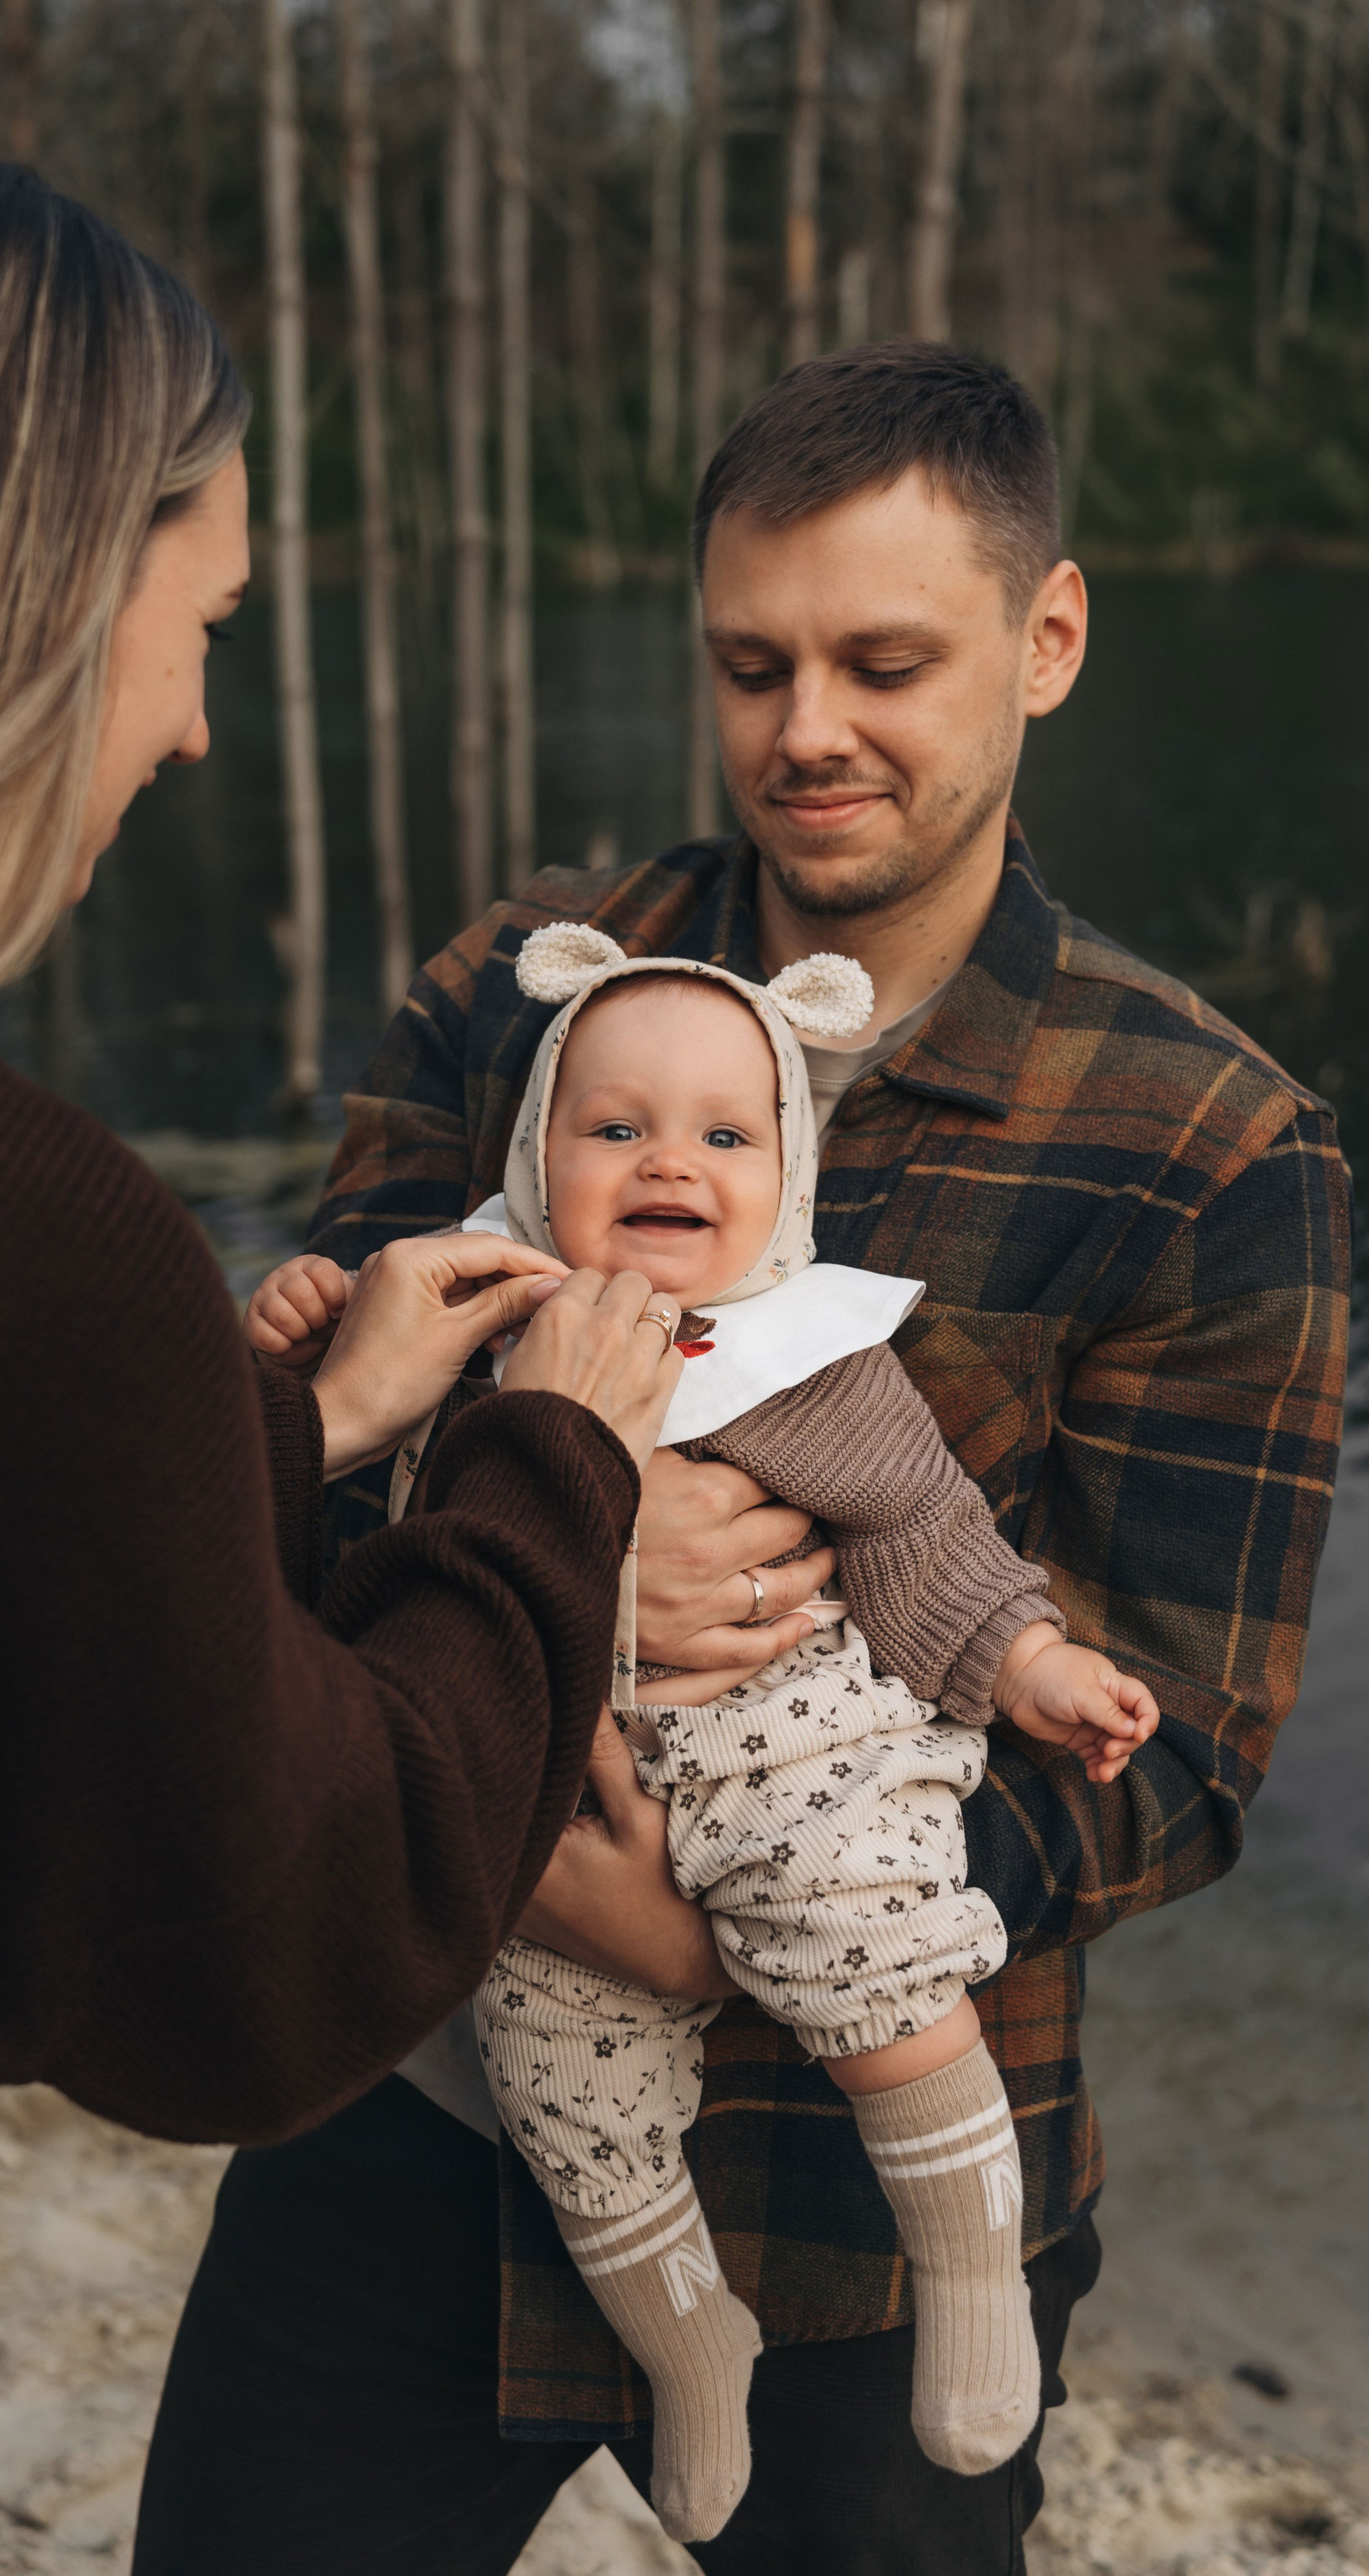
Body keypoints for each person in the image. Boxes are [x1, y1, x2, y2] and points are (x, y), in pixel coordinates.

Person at [0, 147, 698, 2576]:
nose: (196, 729)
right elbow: (265, 1951)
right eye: (203, 623)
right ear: (34, 610)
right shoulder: (9, 1235)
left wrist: (276, 1425)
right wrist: (543, 1481)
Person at [135, 343, 1351, 2575]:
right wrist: (533, 1585)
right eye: (752, 662)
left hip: (861, 2217)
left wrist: (745, 1919)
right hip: (411, 2103)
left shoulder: (1209, 1148)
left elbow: (1182, 1748)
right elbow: (266, 1520)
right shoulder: (517, 992)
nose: (809, 730)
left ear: (1049, 639)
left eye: (886, 662)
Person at [246, 933, 1160, 2544]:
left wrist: (1029, 1665)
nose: (668, 1158)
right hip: (523, 1811)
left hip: (780, 1761)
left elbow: (923, 1541)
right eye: (612, 1131)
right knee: (564, 2101)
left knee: (881, 1960)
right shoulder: (464, 1316)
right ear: (536, 1159)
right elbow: (325, 1538)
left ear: (787, 1176)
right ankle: (690, 2349)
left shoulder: (808, 1355)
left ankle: (967, 2274)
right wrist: (302, 1355)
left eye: (724, 1136)